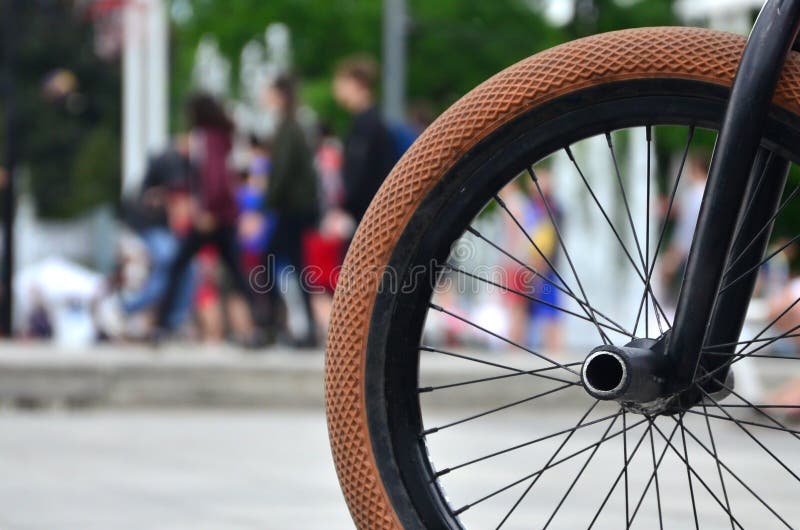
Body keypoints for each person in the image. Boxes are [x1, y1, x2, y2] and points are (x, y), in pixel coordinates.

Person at [154, 94, 256, 345]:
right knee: (237, 272)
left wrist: (208, 210)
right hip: (224, 216)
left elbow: (213, 177)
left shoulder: (205, 136)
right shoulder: (223, 136)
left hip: (212, 217)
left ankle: (162, 324)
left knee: (178, 266)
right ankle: (261, 322)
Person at [262, 76, 319, 347]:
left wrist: (265, 205)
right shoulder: (293, 126)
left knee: (271, 261)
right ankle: (294, 327)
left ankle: (271, 325)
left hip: (291, 210)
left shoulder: (288, 128)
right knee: (294, 265)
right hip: (297, 209)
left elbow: (281, 172)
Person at [326, 54, 396, 229]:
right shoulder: (368, 121)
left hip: (367, 215)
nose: (336, 89)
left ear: (356, 83)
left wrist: (343, 207)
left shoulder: (366, 124)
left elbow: (360, 174)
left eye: (341, 83)